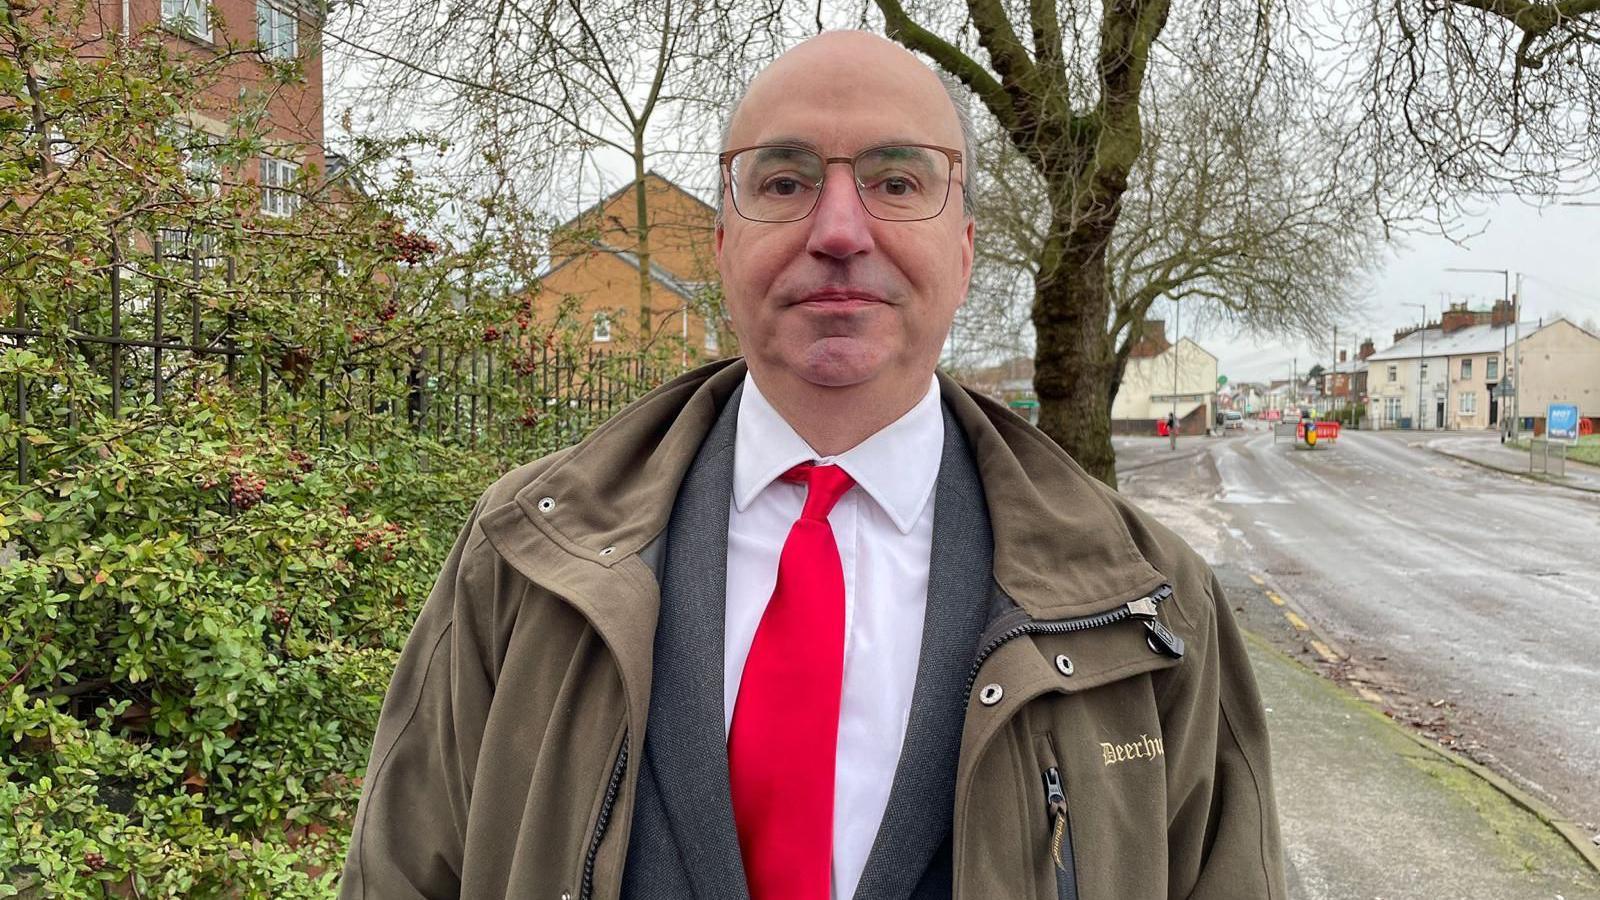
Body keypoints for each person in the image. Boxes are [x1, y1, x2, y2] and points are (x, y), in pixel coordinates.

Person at [338, 30, 1284, 900]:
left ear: (963, 249)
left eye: (899, 181)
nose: (838, 230)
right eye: (783, 183)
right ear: (720, 243)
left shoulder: (1156, 609)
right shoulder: (520, 561)